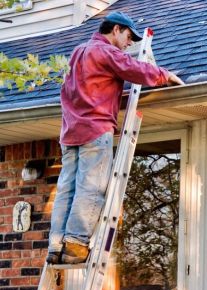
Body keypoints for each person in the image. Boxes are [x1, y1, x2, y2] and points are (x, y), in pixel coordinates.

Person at [46, 11, 184, 264]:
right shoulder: (105, 51)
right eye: (129, 36)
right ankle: (76, 245)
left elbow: (71, 92)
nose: (130, 44)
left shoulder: (77, 52)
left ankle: (56, 245)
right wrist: (164, 75)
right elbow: (132, 68)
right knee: (91, 187)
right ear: (116, 30)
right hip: (95, 130)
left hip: (70, 132)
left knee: (67, 188)